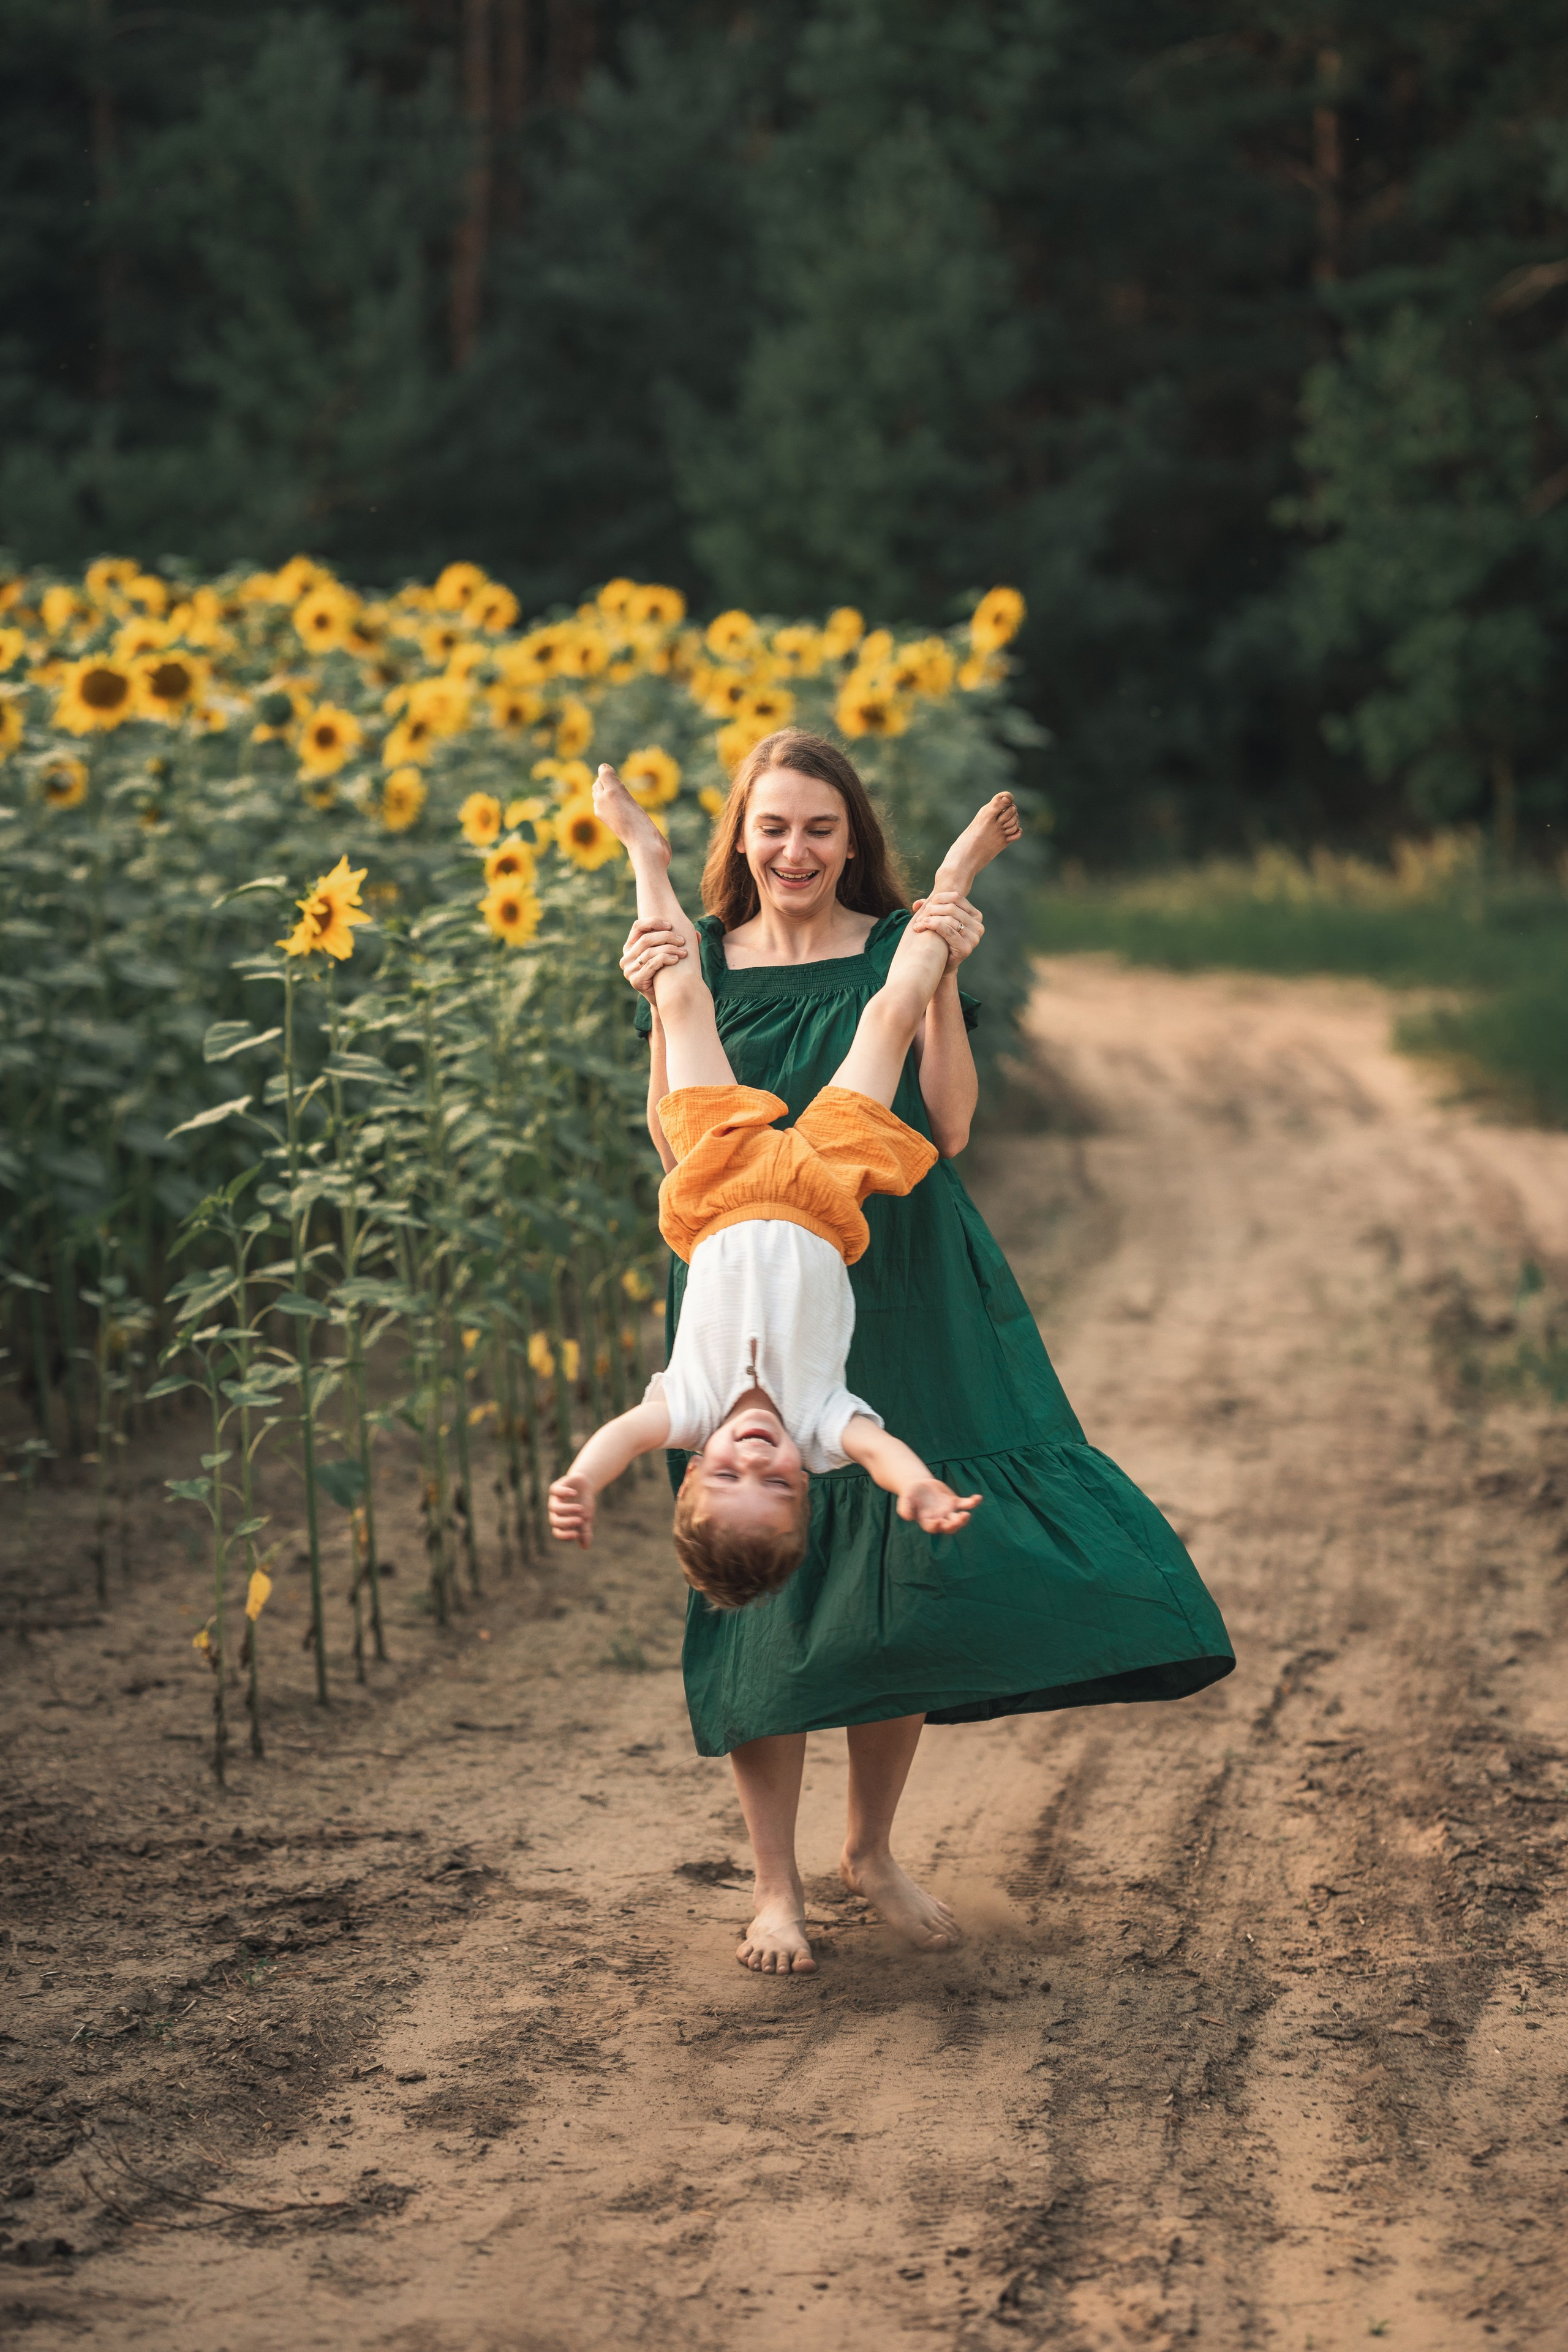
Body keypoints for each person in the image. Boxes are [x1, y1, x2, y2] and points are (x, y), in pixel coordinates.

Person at [624, 728, 1234, 1977]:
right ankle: (774, 1889)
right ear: (739, 837)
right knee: (768, 1552)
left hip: (898, 1274)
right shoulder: (703, 957)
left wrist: (936, 974)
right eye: (773, 826)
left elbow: (947, 1127)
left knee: (895, 1552)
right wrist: (655, 989)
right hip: (752, 1280)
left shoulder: (891, 948)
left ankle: (871, 1852)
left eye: (819, 828)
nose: (793, 850)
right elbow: (673, 1136)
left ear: (853, 841)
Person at [547, 768, 1025, 1599]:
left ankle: (643, 852)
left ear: (695, 1468)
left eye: (729, 1478)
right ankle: (950, 894)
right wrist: (915, 1488)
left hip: (721, 1183)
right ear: (806, 1480)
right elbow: (881, 1455)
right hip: (822, 1191)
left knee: (680, 989)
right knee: (889, 1012)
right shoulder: (818, 1422)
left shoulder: (686, 1409)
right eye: (777, 1486)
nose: (758, 1463)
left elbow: (620, 1438)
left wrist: (583, 1483)